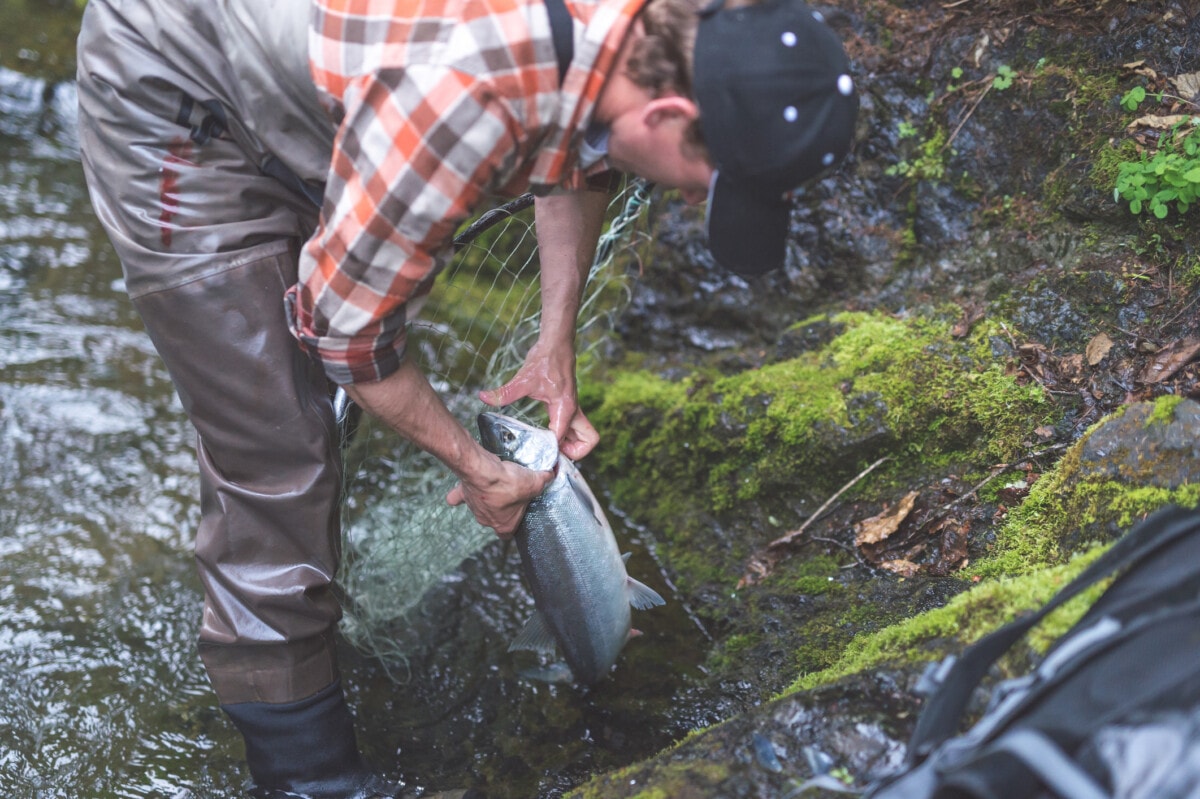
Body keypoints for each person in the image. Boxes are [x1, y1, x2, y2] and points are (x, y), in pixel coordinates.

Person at [75, 0, 856, 795]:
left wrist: (556, 342)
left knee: (339, 323)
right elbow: (347, 336)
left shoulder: (643, 32)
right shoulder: (464, 97)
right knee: (281, 455)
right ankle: (309, 777)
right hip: (178, 98)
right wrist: (475, 465)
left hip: (344, 80)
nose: (694, 202)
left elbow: (584, 143)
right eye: (709, 183)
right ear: (668, 111)